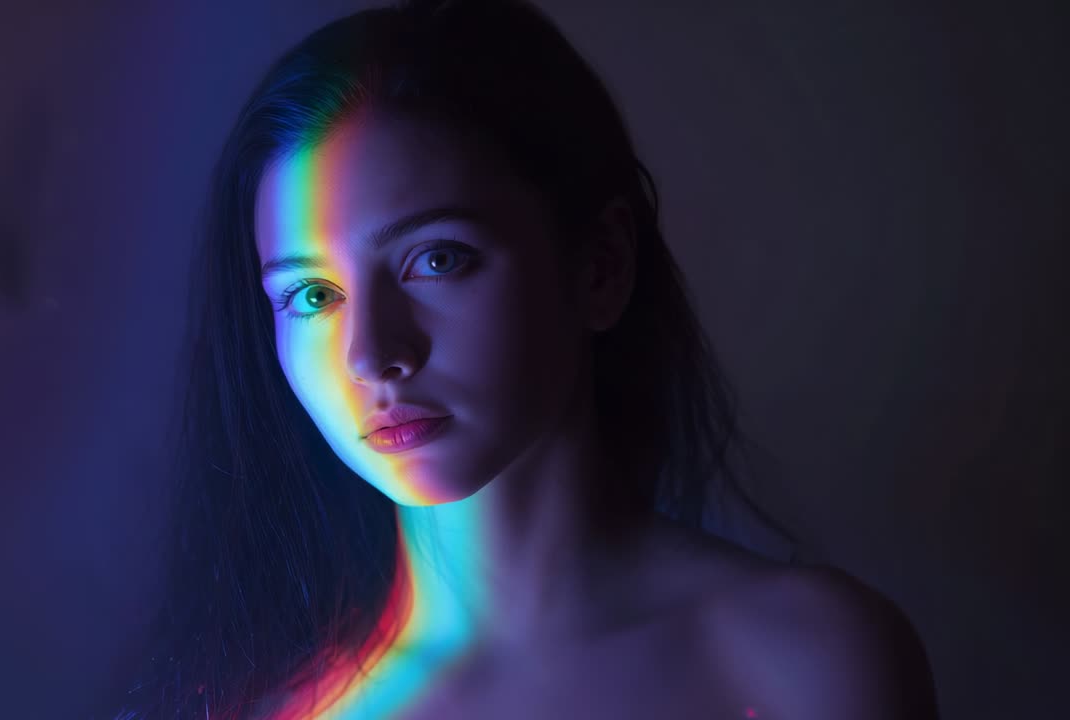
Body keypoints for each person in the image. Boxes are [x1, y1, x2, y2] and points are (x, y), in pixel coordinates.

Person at [117, 0, 939, 717]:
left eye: (437, 260)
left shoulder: (812, 661)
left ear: (599, 267)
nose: (372, 355)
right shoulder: (270, 710)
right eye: (312, 296)